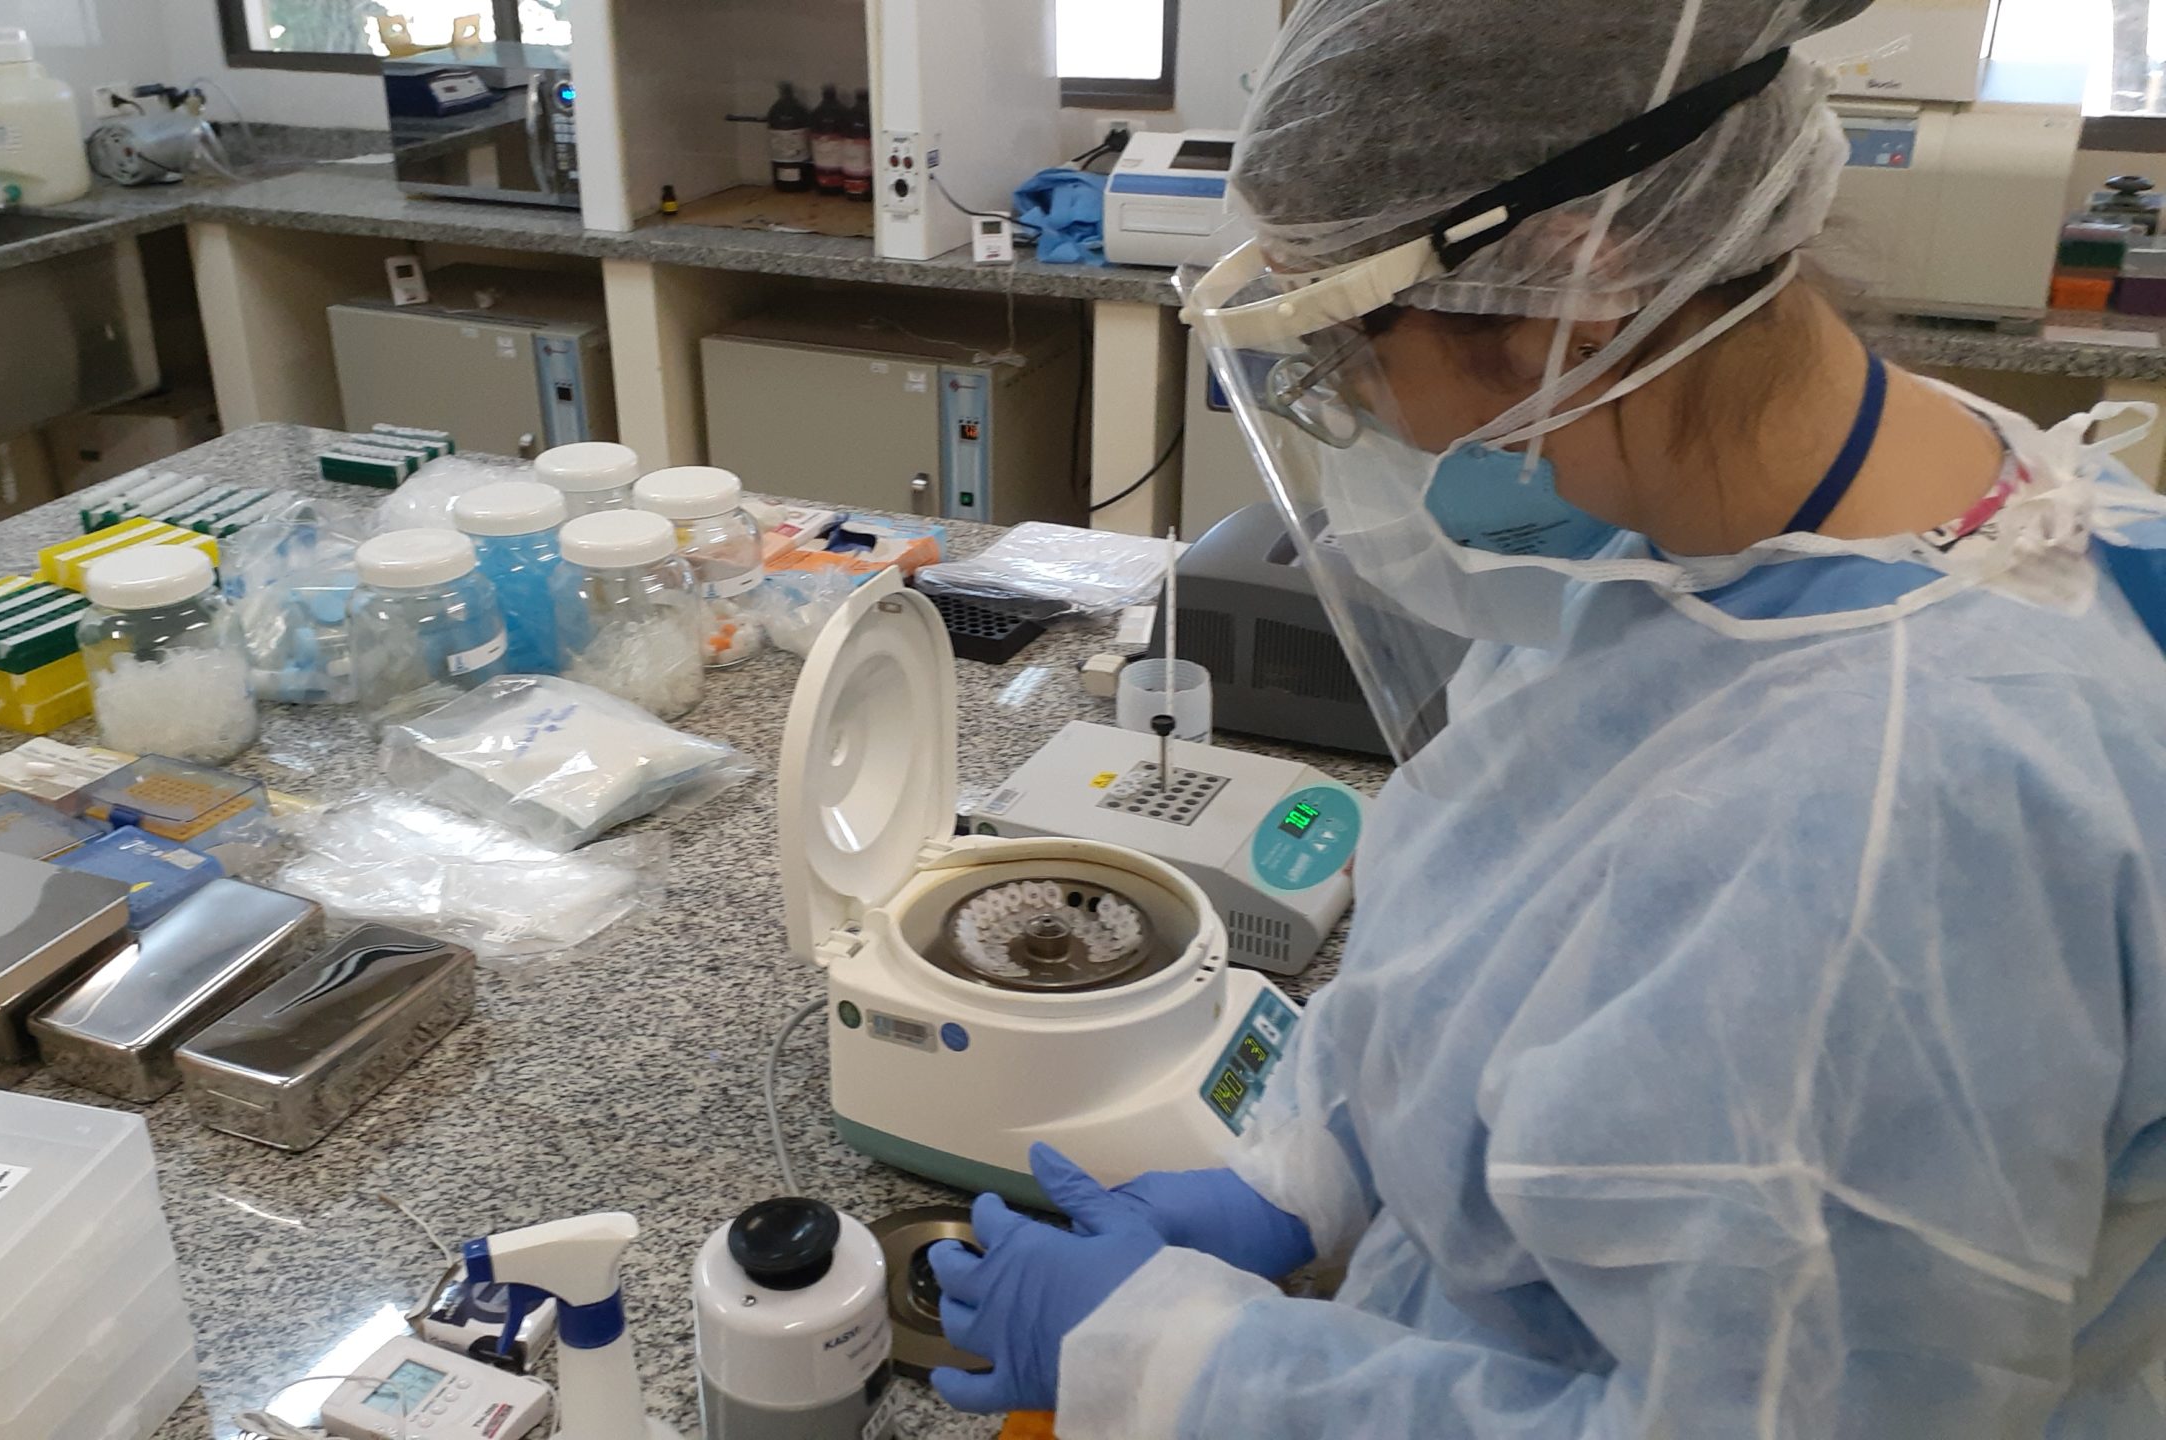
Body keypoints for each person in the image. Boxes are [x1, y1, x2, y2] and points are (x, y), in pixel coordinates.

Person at [926, 0, 2166, 1435]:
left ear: (1574, 284)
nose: (1359, 410)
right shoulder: (1785, 501)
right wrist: (1311, 1174)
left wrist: (1183, 1370)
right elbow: (1504, 940)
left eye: (1350, 343)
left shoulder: (1908, 820)